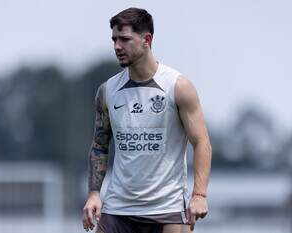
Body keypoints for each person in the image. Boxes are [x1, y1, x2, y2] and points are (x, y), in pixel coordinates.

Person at [82, 7, 212, 233]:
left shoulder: (178, 86)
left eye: (124, 39)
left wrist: (199, 195)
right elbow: (99, 146)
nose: (117, 46)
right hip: (118, 209)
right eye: (114, 39)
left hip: (167, 208)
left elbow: (202, 142)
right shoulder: (108, 91)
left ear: (147, 39)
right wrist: (94, 194)